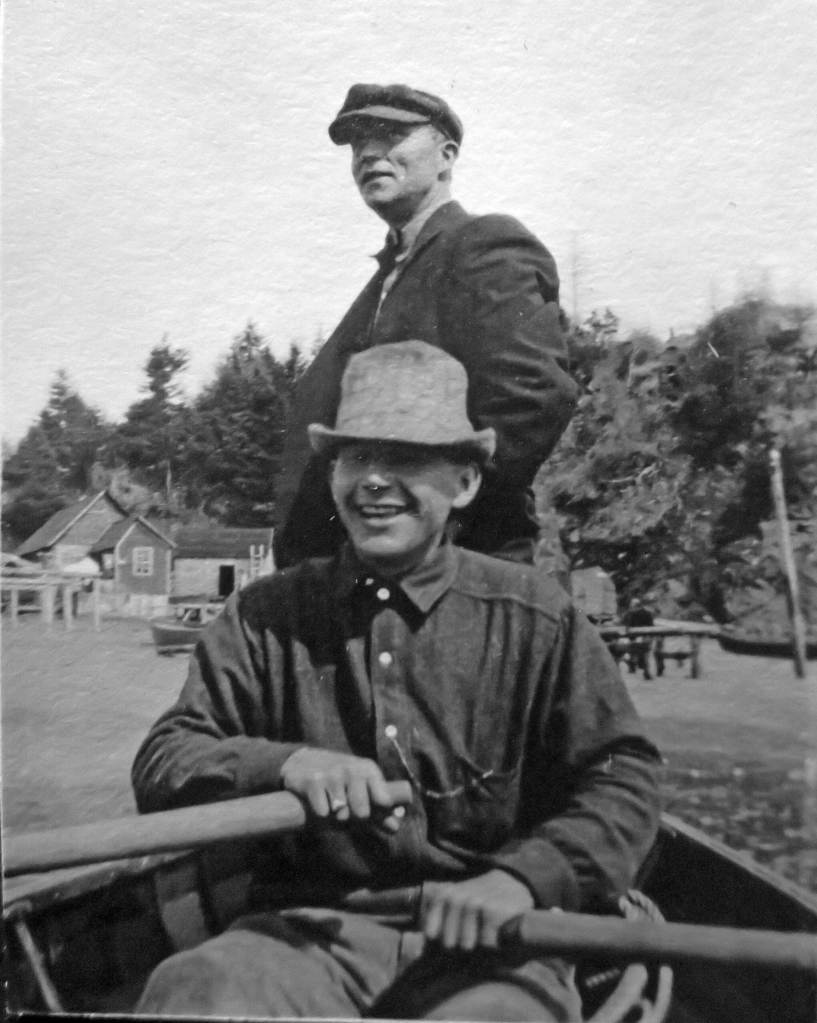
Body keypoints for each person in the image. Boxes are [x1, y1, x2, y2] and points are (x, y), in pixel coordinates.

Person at [133, 342, 661, 1022]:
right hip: (303, 939)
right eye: (355, 458)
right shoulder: (265, 616)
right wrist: (287, 764)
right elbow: (164, 759)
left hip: (499, 947)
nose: (373, 482)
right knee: (196, 989)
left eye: (404, 457)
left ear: (464, 482)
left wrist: (521, 880)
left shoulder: (536, 615)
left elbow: (624, 779)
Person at [273, 83, 580, 568]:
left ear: (446, 155)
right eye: (358, 143)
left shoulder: (485, 246)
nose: (368, 153)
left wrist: (420, 530)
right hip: (353, 580)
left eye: (390, 135)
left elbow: (531, 400)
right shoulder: (388, 279)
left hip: (449, 573)